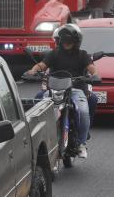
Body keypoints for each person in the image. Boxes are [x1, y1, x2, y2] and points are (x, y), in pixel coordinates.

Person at [26, 24, 97, 159]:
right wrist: (34, 70)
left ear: (76, 41)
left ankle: (81, 143)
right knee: (38, 105)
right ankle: (37, 140)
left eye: (69, 40)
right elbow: (42, 65)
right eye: (64, 40)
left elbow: (93, 69)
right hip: (54, 90)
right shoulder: (54, 54)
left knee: (83, 111)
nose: (66, 43)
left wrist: (94, 76)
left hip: (75, 90)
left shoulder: (82, 55)